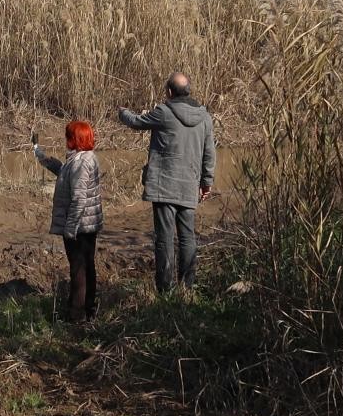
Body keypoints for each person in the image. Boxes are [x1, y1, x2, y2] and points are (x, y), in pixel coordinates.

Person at [118, 72, 215, 294]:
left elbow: (136, 122)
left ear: (170, 92)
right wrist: (206, 182)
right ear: (188, 91)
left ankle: (165, 289)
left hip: (164, 187)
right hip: (189, 186)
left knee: (164, 239)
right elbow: (210, 153)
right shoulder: (205, 118)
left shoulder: (164, 112)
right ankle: (187, 287)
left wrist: (122, 112)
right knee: (187, 237)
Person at [31, 118, 103, 322]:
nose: (65, 140)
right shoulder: (84, 158)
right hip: (88, 224)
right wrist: (42, 157)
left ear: (74, 139)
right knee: (87, 265)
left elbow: (79, 198)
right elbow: (65, 172)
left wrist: (70, 229)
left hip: (79, 226)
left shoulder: (81, 163)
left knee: (78, 269)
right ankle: (88, 309)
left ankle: (77, 314)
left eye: (68, 136)